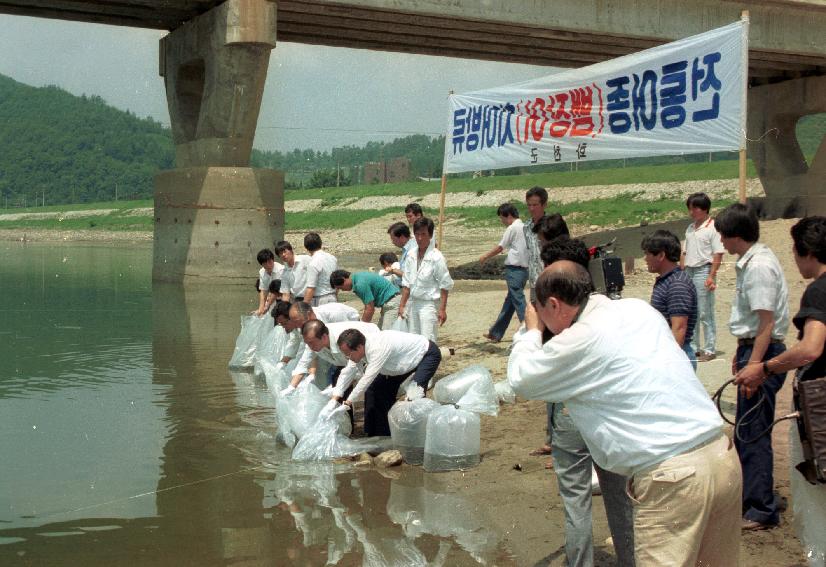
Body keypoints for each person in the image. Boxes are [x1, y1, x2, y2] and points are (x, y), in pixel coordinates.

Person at [508, 261, 740, 565]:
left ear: (553, 304)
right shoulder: (637, 309)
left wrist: (530, 332)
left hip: (672, 477)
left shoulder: (581, 338)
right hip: (721, 456)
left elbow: (522, 379)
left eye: (543, 312)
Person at [536, 238, 636, 567]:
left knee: (576, 502)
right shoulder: (604, 308)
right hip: (607, 413)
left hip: (572, 412)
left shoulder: (554, 313)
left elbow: (540, 368)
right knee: (619, 498)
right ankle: (630, 561)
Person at [736, 217, 826, 556]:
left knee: (817, 486)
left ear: (807, 252)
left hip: (820, 404)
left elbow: (811, 348)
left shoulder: (819, 289)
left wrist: (763, 368)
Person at [715, 202, 790, 531]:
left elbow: (766, 323)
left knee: (752, 432)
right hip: (754, 350)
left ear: (735, 236)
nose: (721, 242)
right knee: (750, 430)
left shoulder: (758, 266)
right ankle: (757, 497)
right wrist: (742, 354)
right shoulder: (755, 261)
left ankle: (760, 508)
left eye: (723, 236)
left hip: (762, 350)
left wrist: (755, 365)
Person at [329, 328, 442, 436]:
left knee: (414, 397)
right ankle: (380, 433)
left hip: (425, 354)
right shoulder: (360, 349)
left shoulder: (377, 348)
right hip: (399, 363)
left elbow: (367, 379)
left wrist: (348, 401)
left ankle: (418, 435)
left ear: (358, 347)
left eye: (348, 354)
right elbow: (348, 371)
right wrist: (335, 397)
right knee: (375, 390)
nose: (347, 357)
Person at [641, 229, 698, 368]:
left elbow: (679, 328)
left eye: (647, 254)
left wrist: (670, 363)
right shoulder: (667, 280)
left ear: (661, 255)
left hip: (676, 355)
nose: (645, 258)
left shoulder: (677, 284)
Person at [681, 192, 724, 362]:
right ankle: (693, 347)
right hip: (689, 270)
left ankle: (709, 348)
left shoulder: (713, 227)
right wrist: (682, 269)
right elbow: (684, 251)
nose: (692, 212)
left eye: (695, 208)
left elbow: (718, 253)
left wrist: (712, 275)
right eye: (690, 208)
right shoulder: (690, 228)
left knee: (705, 311)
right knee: (692, 311)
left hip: (703, 269)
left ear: (704, 209)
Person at [398, 217, 454, 343]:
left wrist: (442, 309)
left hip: (429, 304)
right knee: (413, 340)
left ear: (430, 235)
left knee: (428, 340)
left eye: (423, 234)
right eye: (417, 234)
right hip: (413, 302)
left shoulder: (436, 257)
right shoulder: (411, 254)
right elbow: (407, 283)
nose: (420, 238)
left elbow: (445, 285)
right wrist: (402, 305)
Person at [479, 203, 529, 343]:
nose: (502, 221)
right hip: (524, 269)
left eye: (502, 218)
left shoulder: (512, 228)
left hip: (514, 268)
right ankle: (496, 332)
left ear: (508, 216)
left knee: (518, 300)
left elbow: (501, 247)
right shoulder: (525, 226)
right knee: (511, 302)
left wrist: (485, 256)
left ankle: (529, 327)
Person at [284, 301, 359, 386]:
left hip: (350, 326)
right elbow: (308, 352)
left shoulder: (333, 316)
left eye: (297, 321)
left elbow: (349, 340)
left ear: (308, 315)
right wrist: (292, 385)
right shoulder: (306, 326)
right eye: (294, 322)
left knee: (347, 366)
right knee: (335, 370)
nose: (296, 325)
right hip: (336, 344)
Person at [330, 269, 401, 330]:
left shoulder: (359, 285)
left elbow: (370, 309)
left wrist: (362, 327)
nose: (342, 290)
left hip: (392, 303)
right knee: (379, 332)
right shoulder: (358, 276)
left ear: (344, 279)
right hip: (390, 301)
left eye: (340, 287)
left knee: (386, 334)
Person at [523, 186, 549, 303]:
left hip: (550, 280)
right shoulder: (526, 227)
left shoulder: (552, 225)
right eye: (529, 205)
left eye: (535, 205)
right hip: (534, 281)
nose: (531, 208)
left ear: (544, 205)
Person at [303, 232, 338, 306]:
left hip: (320, 300)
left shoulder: (313, 263)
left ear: (306, 247)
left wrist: (303, 307)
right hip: (333, 296)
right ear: (320, 243)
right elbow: (337, 281)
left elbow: (311, 288)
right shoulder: (332, 258)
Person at [254, 248, 284, 316]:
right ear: (261, 264)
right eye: (265, 263)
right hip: (272, 299)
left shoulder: (281, 270)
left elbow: (276, 291)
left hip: (284, 297)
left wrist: (267, 306)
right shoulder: (262, 272)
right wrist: (261, 308)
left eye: (270, 262)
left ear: (273, 260)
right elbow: (263, 291)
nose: (268, 265)